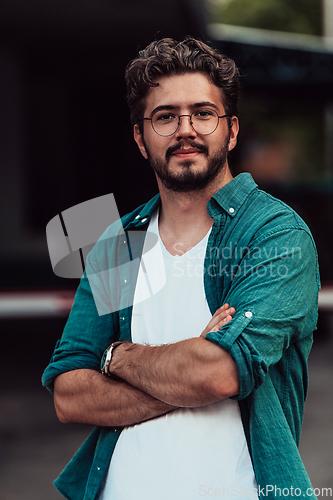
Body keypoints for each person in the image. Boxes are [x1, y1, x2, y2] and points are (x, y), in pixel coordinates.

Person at [42, 37, 320, 500]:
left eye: (203, 113)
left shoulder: (275, 235)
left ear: (231, 131)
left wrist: (116, 357)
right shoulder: (120, 244)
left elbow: (219, 374)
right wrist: (189, 365)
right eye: (165, 116)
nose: (184, 129)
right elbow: (69, 394)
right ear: (140, 137)